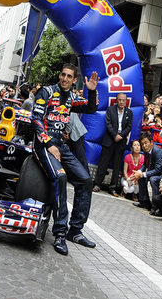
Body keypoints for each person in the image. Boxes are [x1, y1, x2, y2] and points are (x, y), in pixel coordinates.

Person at [30, 63, 99, 255]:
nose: (65, 78)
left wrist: (92, 91)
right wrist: (48, 144)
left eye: (69, 76)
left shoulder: (72, 97)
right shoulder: (46, 92)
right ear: (59, 75)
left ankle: (75, 231)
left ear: (74, 80)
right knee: (60, 177)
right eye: (63, 75)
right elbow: (35, 120)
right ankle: (60, 233)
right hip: (43, 144)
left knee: (86, 180)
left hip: (61, 145)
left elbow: (91, 108)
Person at [93, 92, 133, 194]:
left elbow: (129, 127)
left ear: (126, 101)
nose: (121, 102)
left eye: (123, 100)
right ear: (116, 100)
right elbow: (108, 124)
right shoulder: (110, 109)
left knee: (117, 165)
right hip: (109, 140)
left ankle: (113, 187)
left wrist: (121, 136)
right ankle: (97, 184)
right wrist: (115, 135)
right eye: (119, 100)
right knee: (103, 163)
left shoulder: (129, 112)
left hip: (121, 142)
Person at [131, 133, 162, 213]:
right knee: (140, 177)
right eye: (142, 144)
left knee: (153, 179)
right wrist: (139, 172)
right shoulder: (146, 151)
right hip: (157, 172)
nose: (144, 146)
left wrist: (142, 174)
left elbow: (158, 170)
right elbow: (145, 164)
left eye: (146, 143)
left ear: (151, 142)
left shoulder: (157, 152)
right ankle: (144, 202)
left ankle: (156, 206)